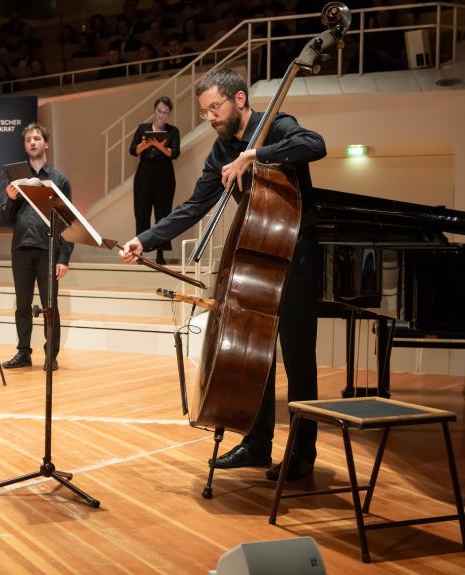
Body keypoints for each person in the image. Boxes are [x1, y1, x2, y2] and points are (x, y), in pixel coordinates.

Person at [118, 68, 325, 481]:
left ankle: (303, 454)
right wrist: (145, 238)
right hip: (258, 253)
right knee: (257, 352)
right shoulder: (220, 150)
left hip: (296, 255)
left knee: (298, 359)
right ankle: (257, 442)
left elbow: (315, 145)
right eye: (205, 111)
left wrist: (256, 155)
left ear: (240, 100)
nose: (210, 117)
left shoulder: (277, 126)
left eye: (216, 108)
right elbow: (195, 206)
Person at [1, 123, 73, 371]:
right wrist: (10, 200)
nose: (32, 142)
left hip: (48, 250)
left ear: (46, 144)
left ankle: (50, 355)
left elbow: (69, 222)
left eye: (37, 138)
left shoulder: (59, 179)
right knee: (22, 304)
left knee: (49, 305)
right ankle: (23, 352)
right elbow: (7, 218)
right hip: (21, 248)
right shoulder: (16, 178)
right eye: (28, 139)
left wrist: (64, 257)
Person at [128, 96, 180, 264]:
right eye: (159, 111)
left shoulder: (173, 131)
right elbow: (133, 150)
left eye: (165, 112)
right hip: (144, 175)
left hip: (164, 176)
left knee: (163, 215)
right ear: (154, 110)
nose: (161, 115)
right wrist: (146, 144)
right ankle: (139, 253)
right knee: (141, 213)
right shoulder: (143, 128)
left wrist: (159, 145)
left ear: (169, 114)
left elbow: (175, 153)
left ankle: (160, 254)